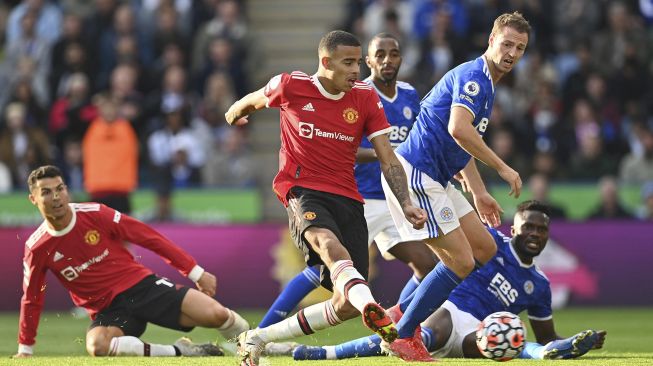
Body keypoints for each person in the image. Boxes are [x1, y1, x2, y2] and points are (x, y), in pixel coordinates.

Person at [224, 30, 427, 366]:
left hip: (348, 196)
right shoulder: (291, 85)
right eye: (347, 63)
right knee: (330, 247)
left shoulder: (364, 97)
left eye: (357, 63)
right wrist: (234, 115)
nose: (355, 71)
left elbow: (388, 158)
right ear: (325, 62)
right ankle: (376, 313)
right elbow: (251, 100)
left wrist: (406, 202)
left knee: (344, 304)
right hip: (301, 189)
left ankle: (258, 337)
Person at [378, 12, 530, 361]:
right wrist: (503, 168)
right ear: (491, 40)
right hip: (417, 173)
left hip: (440, 178)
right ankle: (402, 334)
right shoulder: (474, 78)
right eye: (506, 43)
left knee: (484, 248)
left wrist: (477, 192)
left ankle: (400, 314)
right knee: (460, 261)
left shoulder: (488, 84)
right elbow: (459, 130)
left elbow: (461, 145)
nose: (512, 52)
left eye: (519, 48)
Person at [284, 201, 607, 361]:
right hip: (449, 310)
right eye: (528, 227)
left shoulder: (539, 285)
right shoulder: (490, 243)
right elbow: (448, 243)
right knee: (425, 334)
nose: (535, 234)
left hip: (481, 332)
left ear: (548, 235)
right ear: (515, 229)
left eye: (541, 229)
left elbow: (546, 330)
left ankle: (549, 353)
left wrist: (570, 340)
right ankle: (324, 354)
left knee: (511, 344)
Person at [15, 165, 249, 358]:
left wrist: (195, 272)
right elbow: (32, 298)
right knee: (98, 346)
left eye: (60, 188)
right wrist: (25, 348)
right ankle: (180, 351)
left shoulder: (94, 213)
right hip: (109, 311)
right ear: (33, 199)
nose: (56, 197)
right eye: (46, 192)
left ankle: (254, 344)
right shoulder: (37, 248)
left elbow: (148, 236)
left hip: (142, 287)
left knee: (217, 314)